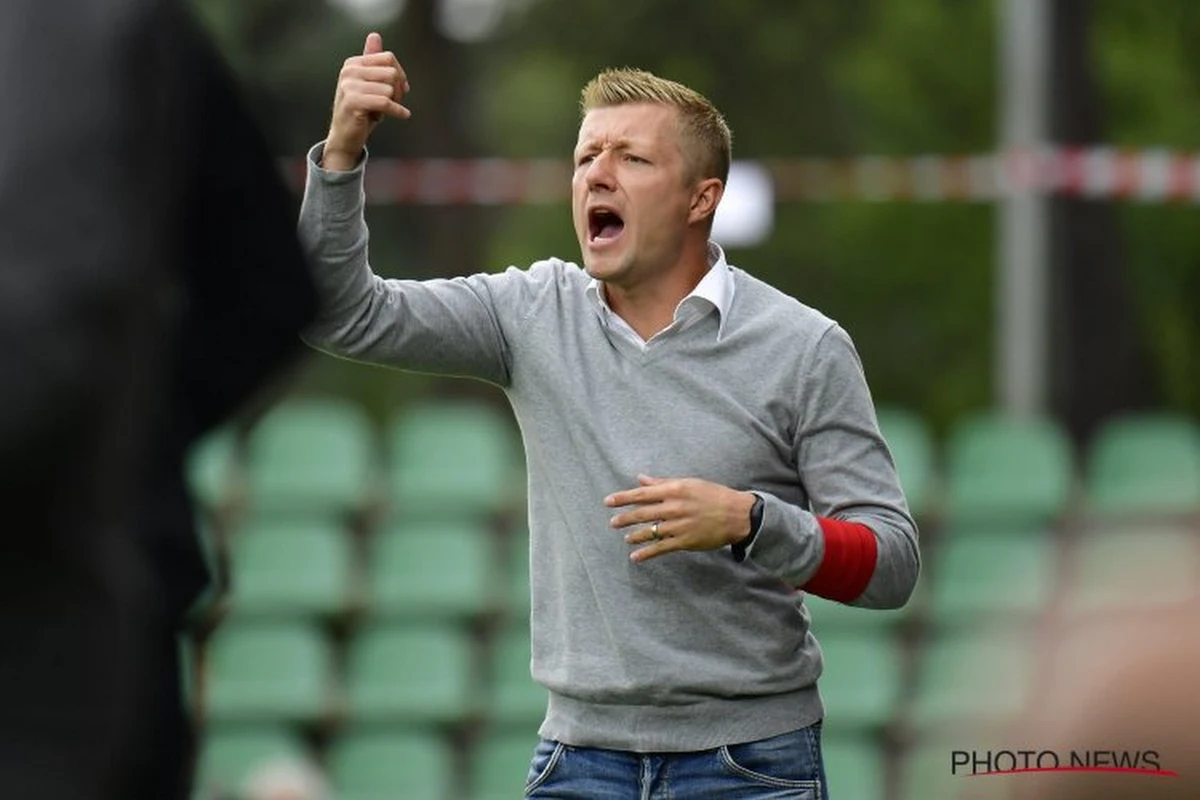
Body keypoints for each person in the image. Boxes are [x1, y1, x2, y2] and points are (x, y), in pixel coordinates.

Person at [300, 32, 919, 799]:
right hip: (575, 761)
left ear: (702, 198)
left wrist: (751, 520)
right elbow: (338, 316)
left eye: (631, 157)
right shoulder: (530, 312)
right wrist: (341, 155)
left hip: (752, 765)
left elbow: (891, 565)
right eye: (586, 156)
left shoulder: (805, 346)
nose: (597, 171)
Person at [0, 1, 315, 797]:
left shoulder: (117, 30)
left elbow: (270, 291)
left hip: (79, 620)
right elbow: (269, 287)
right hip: (97, 607)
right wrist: (130, 422)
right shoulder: (128, 27)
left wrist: (125, 420)